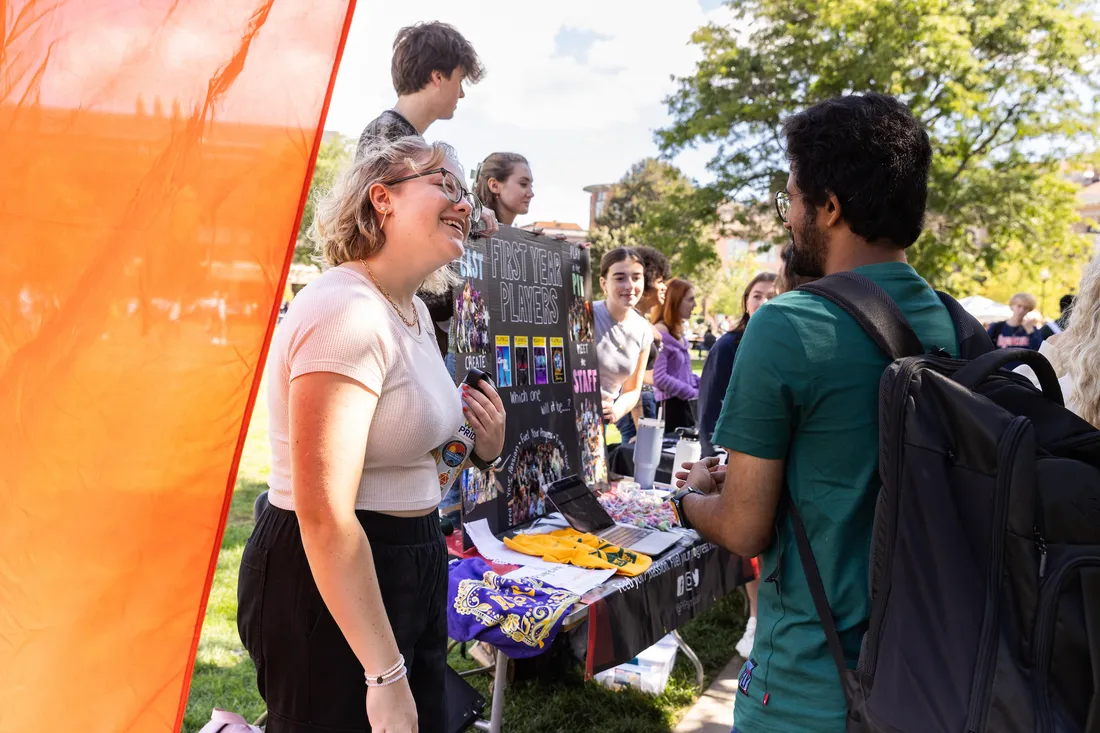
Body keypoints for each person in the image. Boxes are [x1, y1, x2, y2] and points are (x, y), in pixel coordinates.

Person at [673, 93, 957, 733]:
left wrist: (688, 501)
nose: (788, 218)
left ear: (829, 208)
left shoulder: (787, 325)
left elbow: (745, 528)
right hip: (937, 675)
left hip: (810, 684)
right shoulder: (957, 324)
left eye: (792, 199)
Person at [237, 138, 507, 733]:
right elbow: (325, 513)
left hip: (408, 560)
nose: (465, 205)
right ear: (382, 198)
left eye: (465, 192)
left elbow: (413, 468)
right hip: (331, 581)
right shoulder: (344, 311)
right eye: (446, 184)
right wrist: (384, 676)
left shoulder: (408, 313)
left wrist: (481, 444)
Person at [695, 271, 775, 657]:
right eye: (756, 295)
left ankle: (762, 615)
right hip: (732, 456)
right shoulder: (728, 346)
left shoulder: (780, 342)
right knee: (748, 539)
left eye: (772, 295)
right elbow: (709, 408)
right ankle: (755, 618)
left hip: (769, 456)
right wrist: (716, 458)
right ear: (745, 301)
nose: (763, 302)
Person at [1017, 256, 1100, 427]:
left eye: (1025, 307)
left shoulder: (1059, 344)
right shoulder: (999, 326)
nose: (1021, 311)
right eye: (1019, 307)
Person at [616, 245, 671, 442]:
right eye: (660, 281)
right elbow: (628, 375)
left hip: (644, 401)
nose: (664, 287)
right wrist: (640, 424)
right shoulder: (632, 325)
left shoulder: (641, 323)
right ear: (646, 288)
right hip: (635, 406)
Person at [594, 248, 653, 430]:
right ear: (604, 284)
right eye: (620, 278)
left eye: (636, 277)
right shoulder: (585, 314)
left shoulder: (643, 330)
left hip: (596, 428)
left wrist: (616, 410)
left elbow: (633, 389)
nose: (629, 285)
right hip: (560, 416)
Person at [652, 278, 701, 434]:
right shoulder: (660, 332)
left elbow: (682, 374)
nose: (695, 305)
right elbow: (659, 378)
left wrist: (702, 383)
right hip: (671, 408)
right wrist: (692, 393)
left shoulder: (678, 331)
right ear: (675, 301)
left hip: (685, 405)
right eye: (690, 299)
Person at [474, 153, 533, 226]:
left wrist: (528, 237)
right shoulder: (469, 229)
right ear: (494, 186)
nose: (531, 194)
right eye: (523, 184)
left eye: (531, 186)